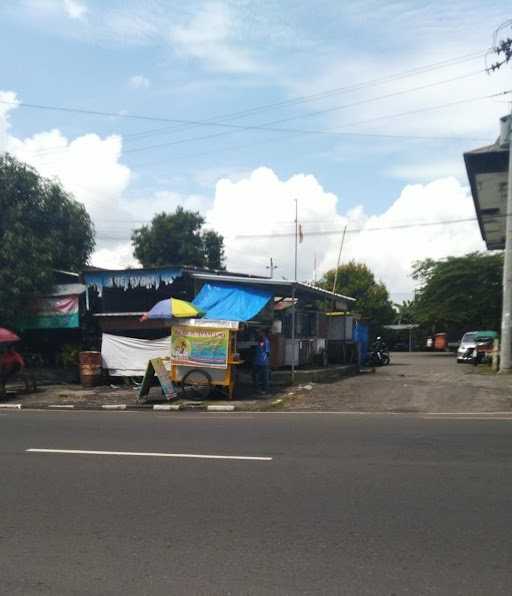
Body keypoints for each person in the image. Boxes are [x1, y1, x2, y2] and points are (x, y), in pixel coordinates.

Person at [253, 329, 271, 394]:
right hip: (258, 361)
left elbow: (267, 352)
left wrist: (267, 360)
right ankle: (258, 389)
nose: (258, 334)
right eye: (258, 333)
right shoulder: (260, 341)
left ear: (263, 333)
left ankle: (265, 390)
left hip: (263, 362)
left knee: (264, 377)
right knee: (257, 376)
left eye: (260, 332)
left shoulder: (266, 341)